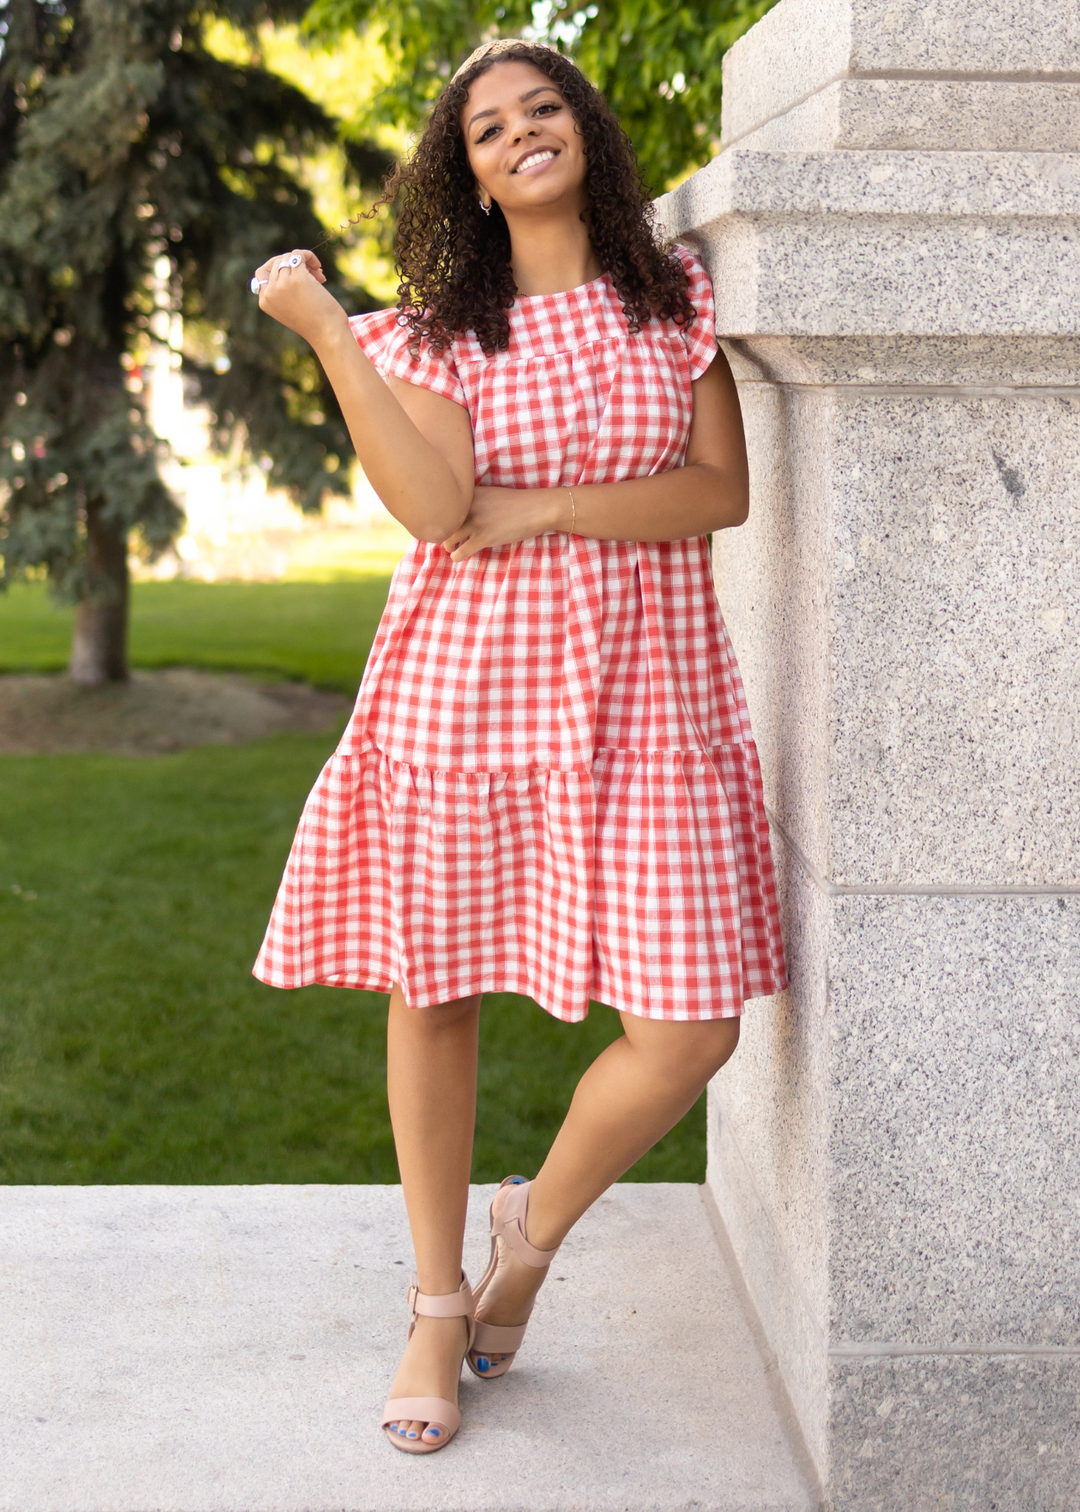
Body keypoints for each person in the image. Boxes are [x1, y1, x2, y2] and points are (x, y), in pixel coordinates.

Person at [250, 38, 787, 1455]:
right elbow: (434, 511)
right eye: (490, 128)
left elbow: (717, 491)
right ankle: (438, 1305)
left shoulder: (673, 301)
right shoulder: (436, 330)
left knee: (691, 1027)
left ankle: (527, 1237)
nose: (521, 134)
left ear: (585, 136)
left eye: (543, 109)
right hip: (466, 691)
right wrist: (328, 334)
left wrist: (545, 510)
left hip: (647, 698)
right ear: (472, 178)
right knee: (435, 989)